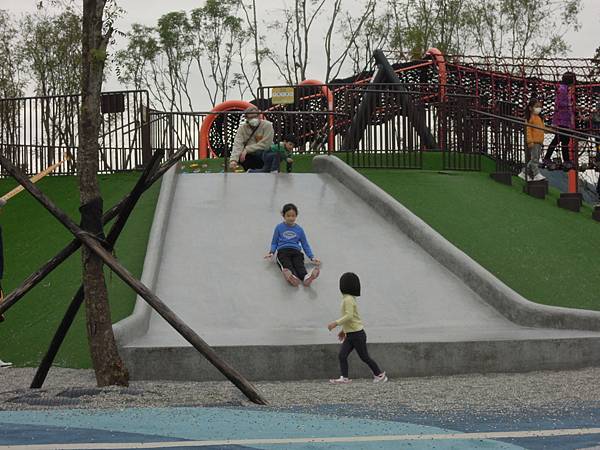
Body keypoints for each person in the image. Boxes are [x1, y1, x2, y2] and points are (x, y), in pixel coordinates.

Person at [327, 272, 387, 384]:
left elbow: (349, 316)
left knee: (364, 357)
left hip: (357, 335)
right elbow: (351, 319)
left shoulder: (348, 299)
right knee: (342, 355)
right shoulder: (348, 298)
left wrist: (336, 323)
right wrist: (343, 331)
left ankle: (379, 375)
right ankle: (344, 378)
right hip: (350, 334)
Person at [265, 203, 320, 287]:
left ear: (296, 216)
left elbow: (305, 244)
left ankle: (306, 277)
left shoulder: (299, 230)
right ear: (283, 215)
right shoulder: (279, 227)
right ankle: (292, 277)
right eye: (288, 215)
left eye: (293, 216)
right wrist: (271, 252)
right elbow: (274, 242)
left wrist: (312, 257)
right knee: (286, 265)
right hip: (283, 251)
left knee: (299, 265)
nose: (291, 218)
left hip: (296, 251)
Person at [543, 72, 576, 169]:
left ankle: (564, 160)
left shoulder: (565, 89)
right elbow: (560, 103)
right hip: (561, 119)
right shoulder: (562, 89)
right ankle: (560, 159)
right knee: (561, 139)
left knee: (562, 139)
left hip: (564, 119)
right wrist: (570, 105)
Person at [229, 106, 274, 172]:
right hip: (249, 156)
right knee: (243, 156)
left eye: (255, 116)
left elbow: (266, 144)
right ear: (246, 118)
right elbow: (238, 144)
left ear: (259, 116)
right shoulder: (242, 128)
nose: (254, 119)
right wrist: (233, 160)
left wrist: (247, 149)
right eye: (251, 117)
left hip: (263, 154)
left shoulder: (267, 125)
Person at [519, 98, 547, 182]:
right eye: (536, 106)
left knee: (535, 159)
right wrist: (530, 141)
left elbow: (543, 129)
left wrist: (552, 130)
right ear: (530, 108)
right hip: (534, 141)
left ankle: (525, 172)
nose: (539, 108)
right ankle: (536, 174)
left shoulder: (539, 118)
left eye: (540, 106)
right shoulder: (530, 118)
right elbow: (528, 131)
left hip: (539, 141)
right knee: (534, 159)